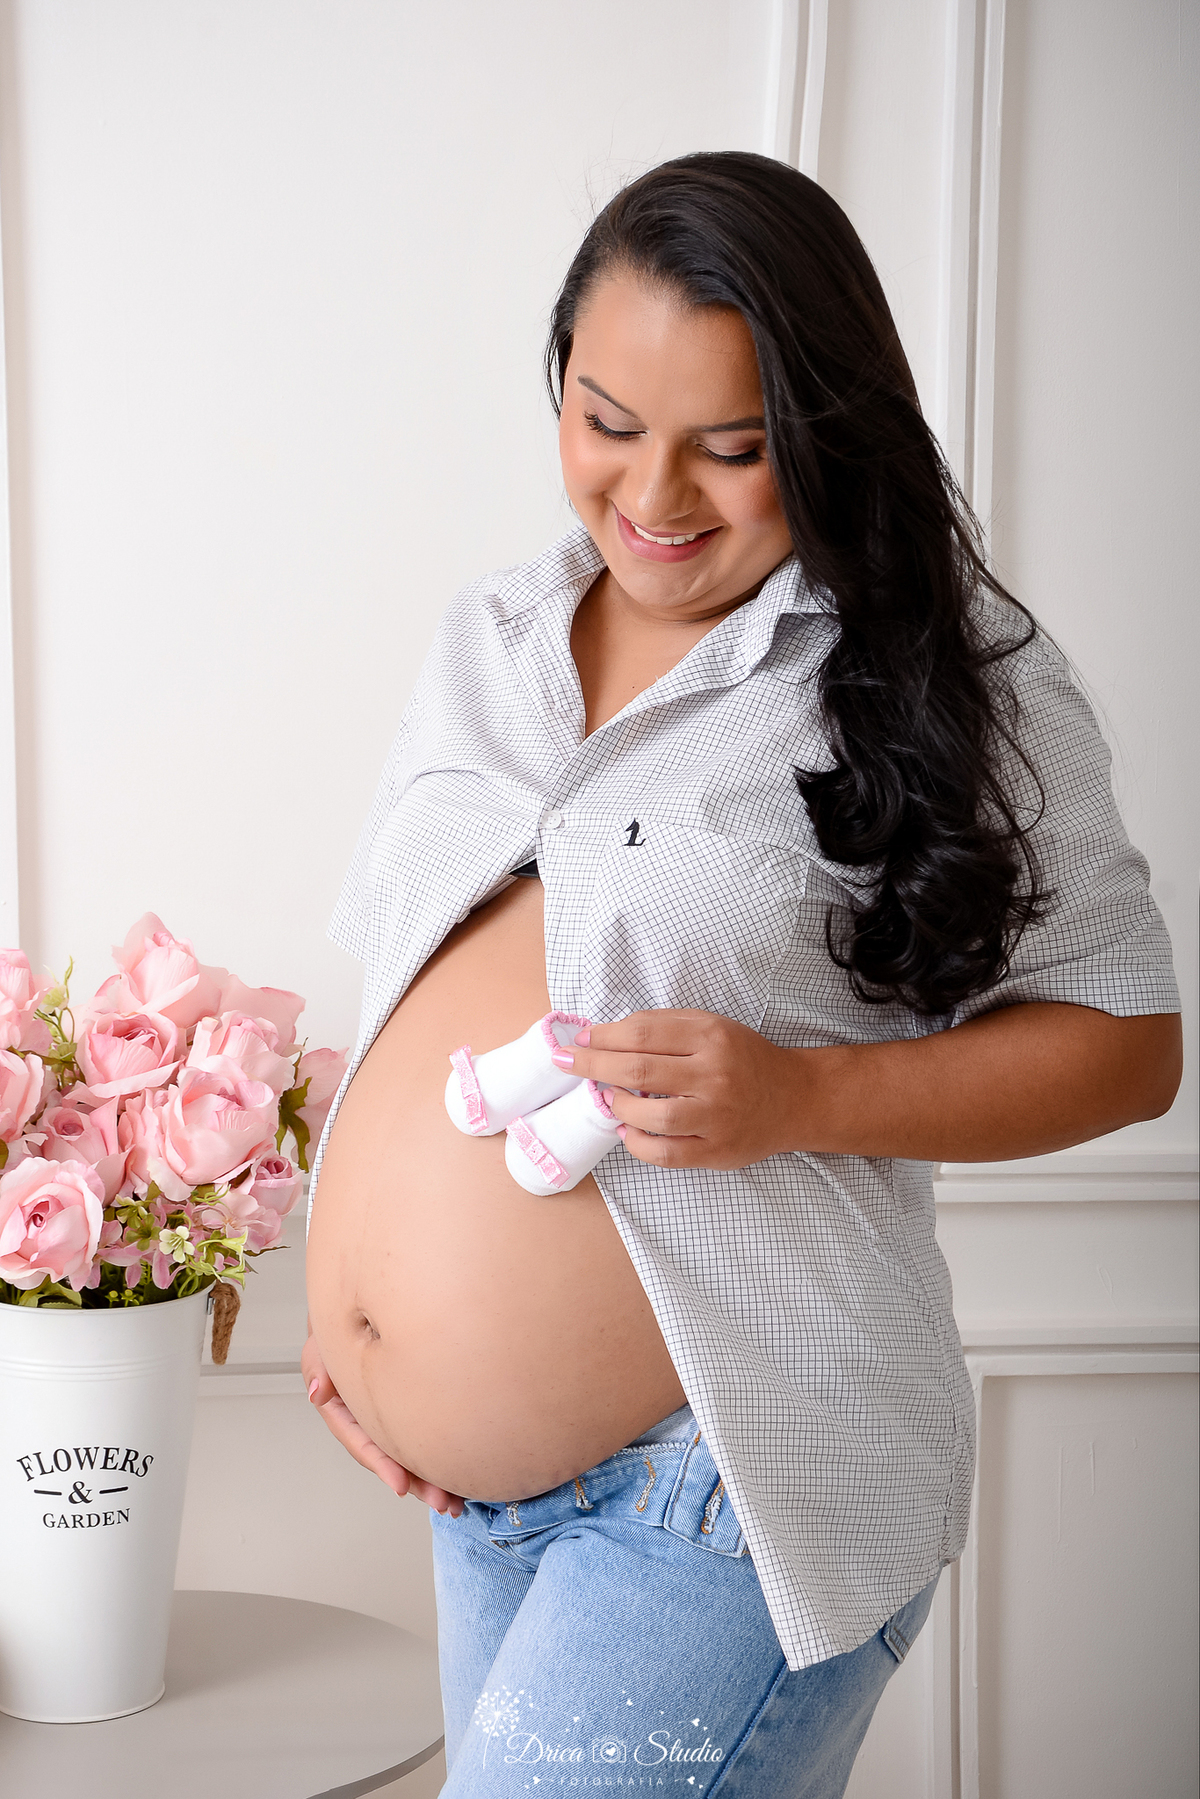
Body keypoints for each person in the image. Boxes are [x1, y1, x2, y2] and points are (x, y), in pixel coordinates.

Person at [301, 152, 1181, 1796]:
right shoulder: (488, 639)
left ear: (825, 433)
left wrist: (807, 1093)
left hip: (728, 1480)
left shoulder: (945, 674)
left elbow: (1129, 1041)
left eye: (734, 446)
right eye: (605, 420)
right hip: (479, 1500)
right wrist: (351, 1323)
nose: (656, 494)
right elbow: (413, 982)